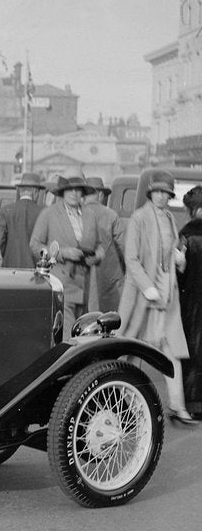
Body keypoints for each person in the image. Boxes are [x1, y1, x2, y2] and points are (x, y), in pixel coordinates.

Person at [116, 170, 197, 427]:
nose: (162, 197)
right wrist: (146, 286)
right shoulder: (139, 218)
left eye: (167, 193)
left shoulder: (170, 218)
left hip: (165, 293)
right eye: (158, 192)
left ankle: (178, 407)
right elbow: (131, 259)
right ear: (151, 193)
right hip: (142, 297)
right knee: (130, 352)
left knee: (170, 349)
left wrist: (178, 259)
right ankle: (117, 406)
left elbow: (170, 249)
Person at [30, 175, 103, 337]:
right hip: (61, 284)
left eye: (78, 190)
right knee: (67, 337)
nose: (74, 193)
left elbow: (99, 245)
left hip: (86, 287)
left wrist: (97, 255)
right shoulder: (48, 214)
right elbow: (35, 245)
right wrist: (62, 252)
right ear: (62, 193)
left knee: (86, 336)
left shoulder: (89, 215)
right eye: (69, 189)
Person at [177, 185, 202, 418]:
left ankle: (194, 403)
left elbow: (179, 273)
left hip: (192, 301)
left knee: (193, 350)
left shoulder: (186, 235)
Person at [83, 176, 123, 312]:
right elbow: (121, 245)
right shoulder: (111, 215)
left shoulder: (77, 213)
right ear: (100, 194)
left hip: (83, 271)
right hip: (108, 273)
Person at [0, 171, 46, 269]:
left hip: (10, 267)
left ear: (20, 191)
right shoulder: (43, 212)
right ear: (35, 192)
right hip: (35, 268)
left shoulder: (6, 210)